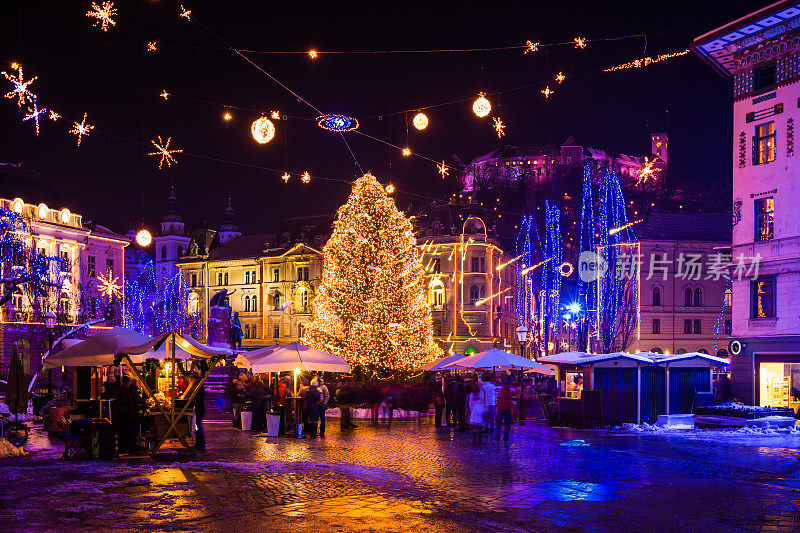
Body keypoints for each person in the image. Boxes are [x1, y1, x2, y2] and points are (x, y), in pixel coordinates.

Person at [188, 372, 206, 452]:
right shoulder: (198, 386)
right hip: (198, 409)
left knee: (197, 427)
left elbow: (197, 399)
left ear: (194, 379)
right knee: (197, 426)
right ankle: (199, 443)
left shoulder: (198, 387)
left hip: (198, 410)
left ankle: (201, 444)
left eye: (190, 379)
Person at [495, 377, 515, 443]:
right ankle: (506, 439)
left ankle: (497, 439)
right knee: (507, 424)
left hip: (500, 408)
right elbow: (513, 396)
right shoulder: (511, 390)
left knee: (499, 424)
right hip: (507, 408)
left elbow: (496, 396)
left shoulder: (498, 389)